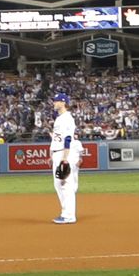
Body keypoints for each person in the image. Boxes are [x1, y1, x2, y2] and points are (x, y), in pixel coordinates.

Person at [50, 92, 81, 222]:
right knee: (58, 184)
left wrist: (65, 158)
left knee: (66, 184)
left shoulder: (67, 118)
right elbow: (59, 138)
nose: (54, 103)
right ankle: (65, 213)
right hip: (58, 152)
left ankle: (69, 215)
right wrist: (53, 154)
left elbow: (68, 138)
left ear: (63, 103)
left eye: (56, 101)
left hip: (64, 153)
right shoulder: (59, 118)